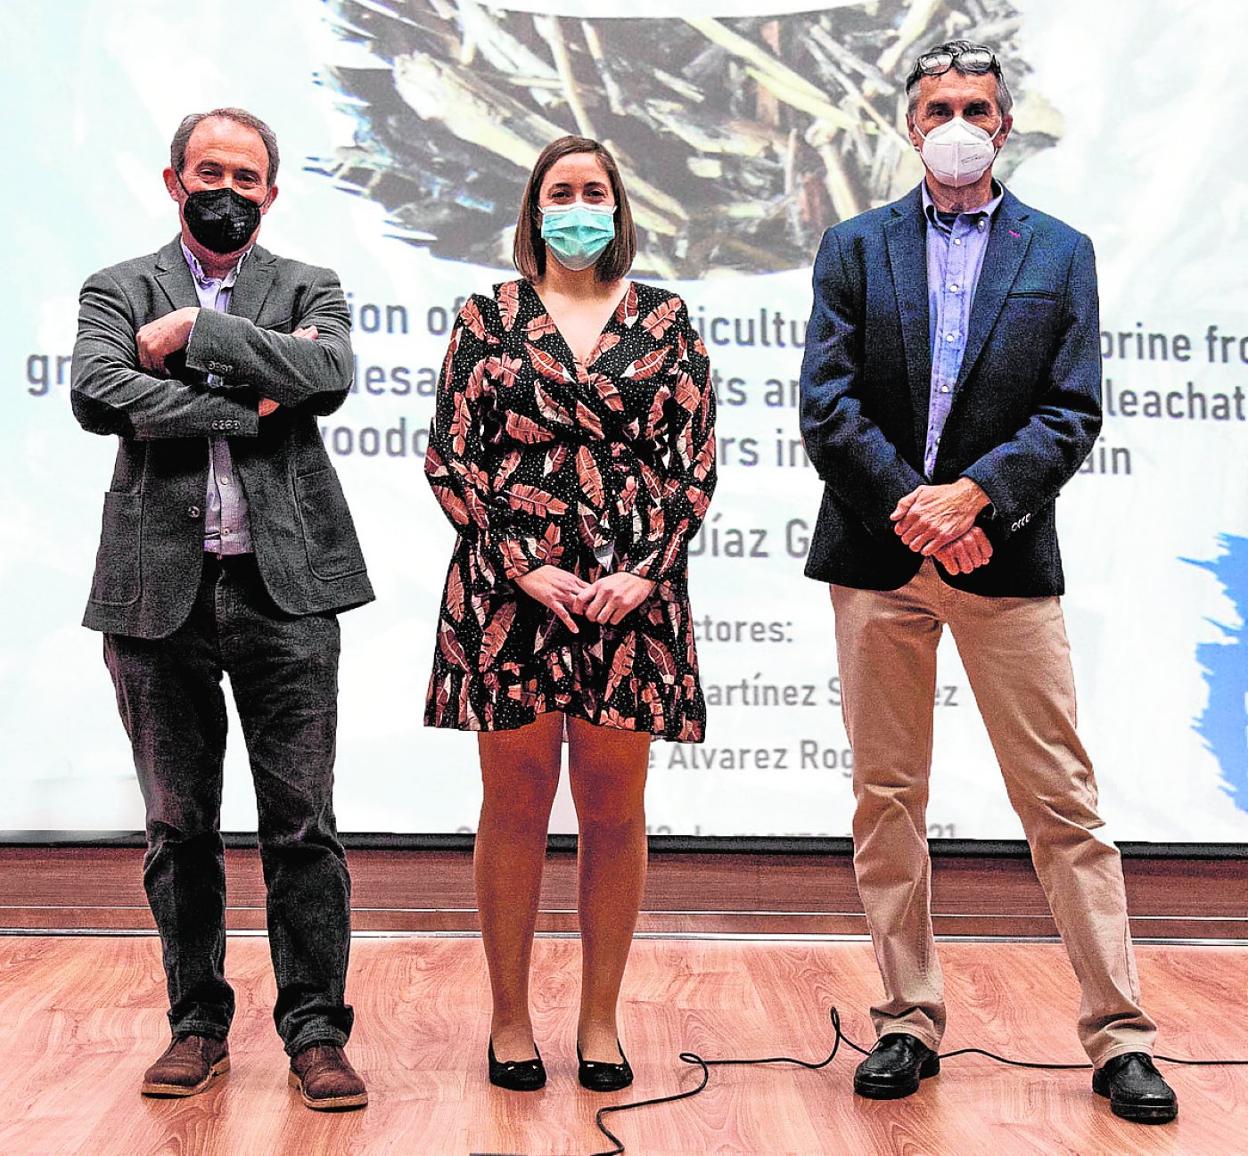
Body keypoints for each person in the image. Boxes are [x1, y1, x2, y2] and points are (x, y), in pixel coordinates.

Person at [798, 42, 1177, 1124]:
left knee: (1062, 802)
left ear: (1005, 126)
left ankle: (1120, 1037)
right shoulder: (854, 248)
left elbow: (1071, 410)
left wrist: (973, 500)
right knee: (887, 799)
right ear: (909, 125)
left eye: (975, 107)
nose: (956, 121)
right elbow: (827, 405)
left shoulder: (1060, 253)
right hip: (879, 559)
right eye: (937, 107)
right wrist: (915, 508)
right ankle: (907, 1018)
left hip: (1004, 557)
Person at [71, 108, 372, 1110]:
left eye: (249, 177)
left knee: (302, 826)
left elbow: (327, 372)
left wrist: (203, 333)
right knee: (177, 825)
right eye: (211, 171)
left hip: (287, 592)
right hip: (159, 598)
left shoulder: (309, 286)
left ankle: (316, 1032)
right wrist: (250, 398)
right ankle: (196, 1025)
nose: (229, 191)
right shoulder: (116, 288)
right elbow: (99, 389)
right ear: (173, 181)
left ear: (273, 193)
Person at [424, 135, 716, 1092]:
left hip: (631, 599)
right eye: (562, 191)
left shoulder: (666, 319)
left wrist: (645, 573)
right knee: (513, 806)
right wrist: (520, 567)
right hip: (510, 598)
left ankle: (599, 1020)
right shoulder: (486, 315)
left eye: (595, 190)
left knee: (613, 810)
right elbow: (449, 460)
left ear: (618, 206)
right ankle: (511, 1021)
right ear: (534, 207)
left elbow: (695, 466)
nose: (579, 205)